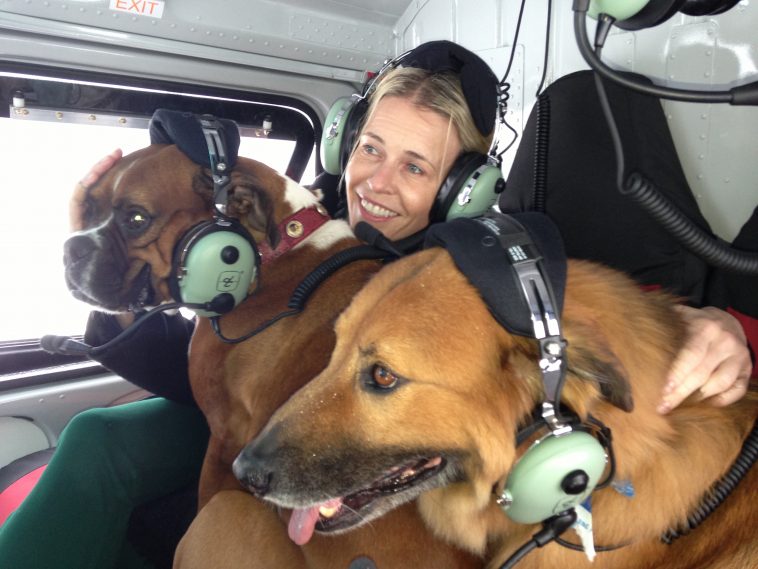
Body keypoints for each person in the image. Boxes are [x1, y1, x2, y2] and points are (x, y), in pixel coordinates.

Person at [0, 40, 752, 569]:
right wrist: (107, 264)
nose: (377, 183)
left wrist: (729, 327)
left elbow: (610, 332)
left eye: (416, 165)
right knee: (98, 435)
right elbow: (207, 371)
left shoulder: (484, 283)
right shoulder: (299, 228)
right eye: (370, 149)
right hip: (270, 424)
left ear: (464, 190)